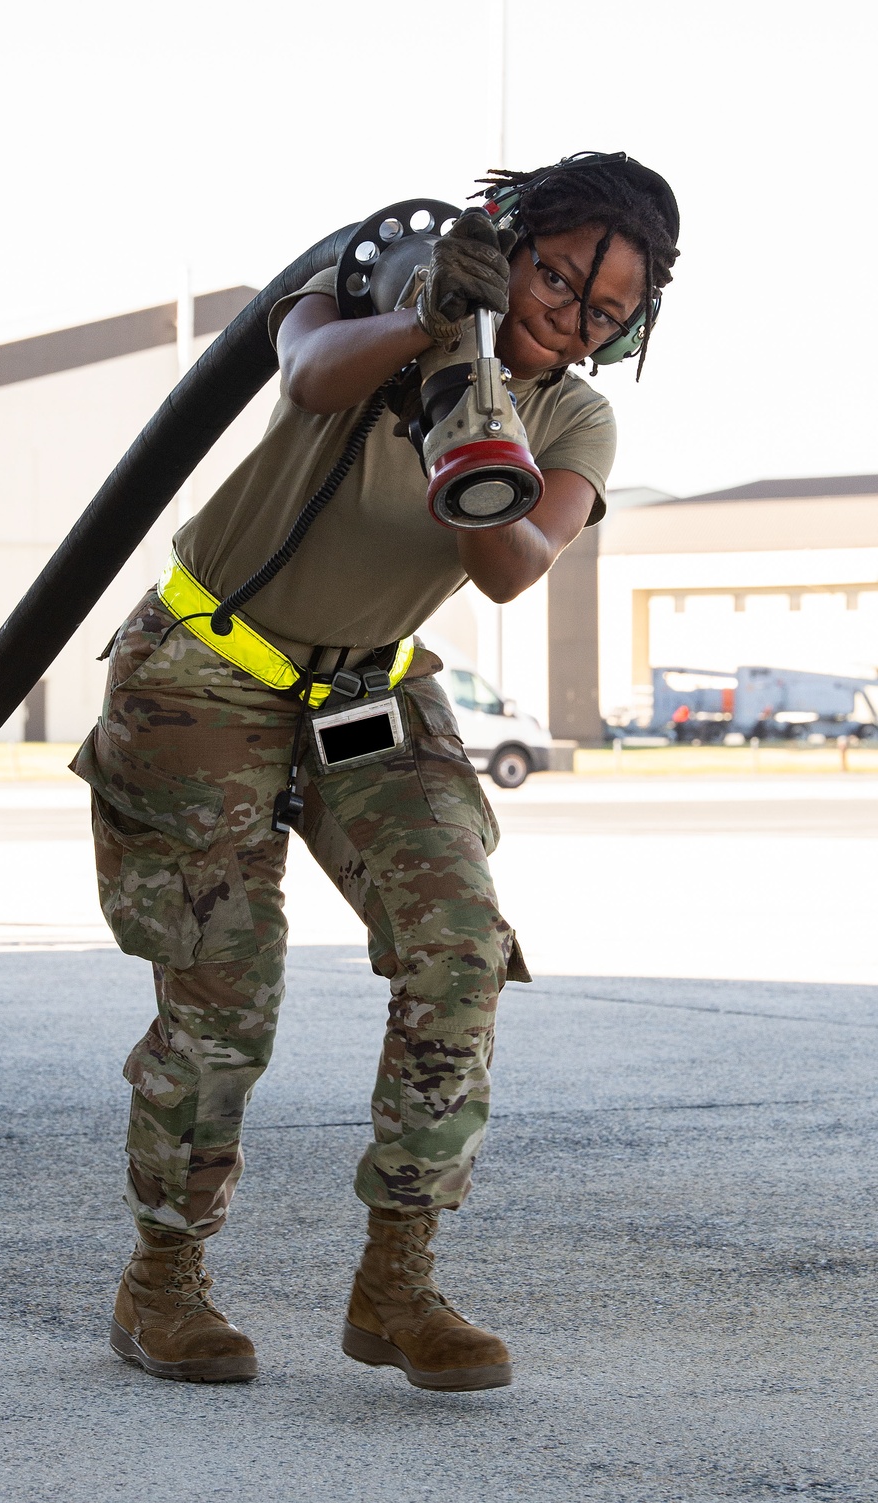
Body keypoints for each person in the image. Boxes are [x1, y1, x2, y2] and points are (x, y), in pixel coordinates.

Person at [72, 151, 680, 1390]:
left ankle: (396, 1284)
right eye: (553, 275)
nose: (566, 313)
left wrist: (480, 422)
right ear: (506, 243)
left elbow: (514, 566)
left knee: (461, 943)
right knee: (225, 996)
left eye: (601, 310)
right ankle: (162, 1287)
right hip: (205, 671)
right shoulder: (368, 291)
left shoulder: (573, 418)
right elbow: (299, 373)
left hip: (368, 690)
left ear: (627, 333)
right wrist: (424, 324)